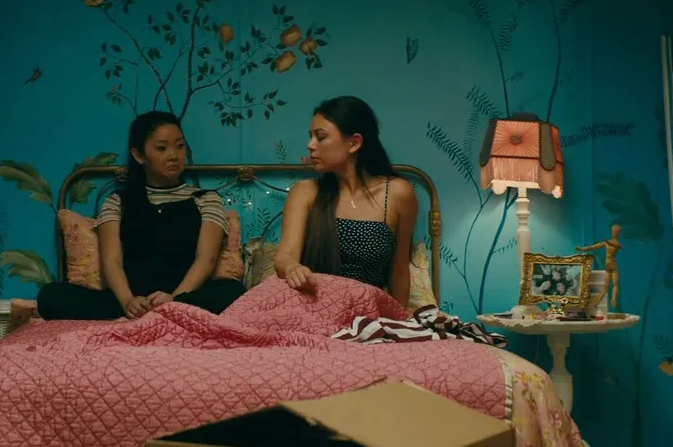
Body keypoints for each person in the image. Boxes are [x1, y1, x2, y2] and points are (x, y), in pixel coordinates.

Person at [36, 111, 246, 320]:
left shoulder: (206, 199)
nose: (174, 156)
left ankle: (170, 315)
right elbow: (112, 260)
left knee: (233, 291)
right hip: (130, 300)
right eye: (162, 148)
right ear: (138, 155)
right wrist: (128, 301)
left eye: (180, 146)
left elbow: (206, 259)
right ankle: (139, 316)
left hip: (185, 298)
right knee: (50, 296)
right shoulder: (118, 201)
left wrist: (174, 300)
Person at [273, 96, 418, 307]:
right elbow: (285, 255)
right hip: (312, 308)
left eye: (321, 137)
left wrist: (400, 322)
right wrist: (292, 268)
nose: (310, 145)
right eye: (310, 137)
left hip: (367, 311)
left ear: (354, 143)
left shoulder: (398, 193)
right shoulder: (305, 192)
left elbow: (399, 271)